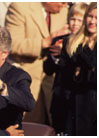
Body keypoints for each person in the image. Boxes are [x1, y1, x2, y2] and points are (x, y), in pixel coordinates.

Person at [5, 2, 69, 125]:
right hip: (29, 82)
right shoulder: (19, 7)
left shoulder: (64, 11)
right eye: (62, 1)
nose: (65, 4)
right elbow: (11, 44)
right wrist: (44, 42)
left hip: (53, 84)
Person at [43, 2, 89, 134]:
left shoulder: (88, 44)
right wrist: (55, 57)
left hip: (79, 101)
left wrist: (64, 53)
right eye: (72, 19)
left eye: (79, 20)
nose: (75, 23)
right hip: (59, 97)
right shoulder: (59, 40)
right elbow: (48, 69)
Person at [51, 2, 97, 135]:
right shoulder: (71, 42)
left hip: (93, 109)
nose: (92, 21)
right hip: (71, 107)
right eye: (90, 16)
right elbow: (65, 75)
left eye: (96, 18)